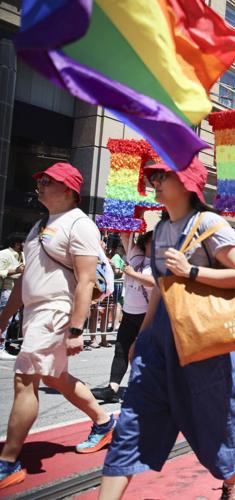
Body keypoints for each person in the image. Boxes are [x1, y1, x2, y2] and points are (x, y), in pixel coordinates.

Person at [99, 160, 235, 499]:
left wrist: (192, 272)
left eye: (160, 175)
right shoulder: (162, 228)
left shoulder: (210, 223)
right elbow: (162, 287)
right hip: (159, 344)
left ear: (186, 182)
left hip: (204, 344)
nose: (153, 181)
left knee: (218, 427)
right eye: (151, 175)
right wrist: (143, 335)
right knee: (130, 425)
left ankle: (231, 482)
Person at [0, 163, 116, 490]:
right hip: (36, 312)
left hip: (55, 311)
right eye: (40, 179)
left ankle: (8, 462)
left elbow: (86, 280)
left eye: (48, 181)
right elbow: (26, 278)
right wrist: (6, 316)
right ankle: (105, 422)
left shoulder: (80, 224)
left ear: (69, 191)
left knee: (25, 379)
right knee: (55, 376)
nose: (40, 184)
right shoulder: (39, 225)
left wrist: (76, 328)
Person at [91, 232, 155, 404]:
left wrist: (132, 273)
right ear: (145, 242)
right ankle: (112, 388)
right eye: (152, 241)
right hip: (129, 313)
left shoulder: (161, 263)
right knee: (120, 349)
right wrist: (133, 218)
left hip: (147, 316)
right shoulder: (136, 254)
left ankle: (144, 389)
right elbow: (126, 236)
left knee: (141, 354)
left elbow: (153, 282)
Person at [0, 234, 25, 360]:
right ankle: (1, 348)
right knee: (5, 319)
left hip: (20, 291)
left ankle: (8, 343)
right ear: (16, 243)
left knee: (16, 320)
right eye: (22, 243)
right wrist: (16, 271)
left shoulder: (23, 255)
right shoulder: (4, 254)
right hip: (8, 290)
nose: (25, 245)